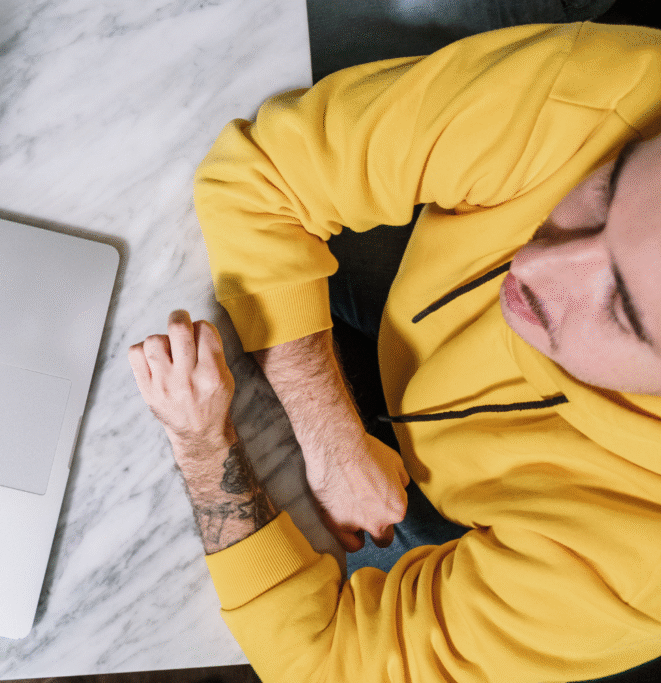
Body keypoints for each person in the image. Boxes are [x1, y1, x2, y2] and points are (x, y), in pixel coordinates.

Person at [130, 21, 661, 683]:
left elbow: (327, 666)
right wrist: (329, 432)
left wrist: (205, 450)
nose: (531, 265)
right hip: (404, 294)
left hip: (448, 517)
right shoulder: (620, 88)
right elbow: (265, 173)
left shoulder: (641, 575)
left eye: (621, 308)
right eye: (605, 192)